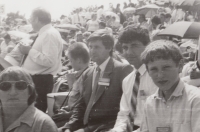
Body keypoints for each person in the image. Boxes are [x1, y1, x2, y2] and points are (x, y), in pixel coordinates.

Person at [59, 29, 133, 132]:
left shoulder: (122, 70)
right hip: (86, 126)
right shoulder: (88, 73)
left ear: (109, 48)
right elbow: (80, 106)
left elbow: (127, 111)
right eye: (90, 47)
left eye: (97, 47)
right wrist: (69, 127)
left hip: (108, 127)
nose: (92, 51)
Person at [140, 40, 200, 132]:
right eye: (154, 69)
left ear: (180, 66)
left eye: (166, 68)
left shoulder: (195, 100)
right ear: (148, 71)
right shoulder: (150, 103)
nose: (160, 75)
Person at [111, 26, 157, 131]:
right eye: (125, 47)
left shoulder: (157, 78)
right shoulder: (128, 80)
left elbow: (159, 119)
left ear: (148, 46)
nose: (128, 52)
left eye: (134, 46)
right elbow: (124, 114)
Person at [19, 7, 63, 112]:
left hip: (41, 81)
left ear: (36, 19)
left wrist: (29, 51)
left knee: (35, 114)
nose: (30, 22)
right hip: (37, 80)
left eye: (31, 19)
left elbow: (49, 60)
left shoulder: (49, 34)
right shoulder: (45, 33)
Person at [0, 66, 58, 132]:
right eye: (5, 86)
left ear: (30, 91)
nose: (13, 92)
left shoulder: (43, 124)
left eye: (20, 86)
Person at [52, 42, 90, 127]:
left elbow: (87, 106)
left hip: (76, 119)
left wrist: (68, 114)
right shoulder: (80, 75)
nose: (70, 63)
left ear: (79, 60)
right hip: (72, 114)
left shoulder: (86, 77)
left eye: (71, 60)